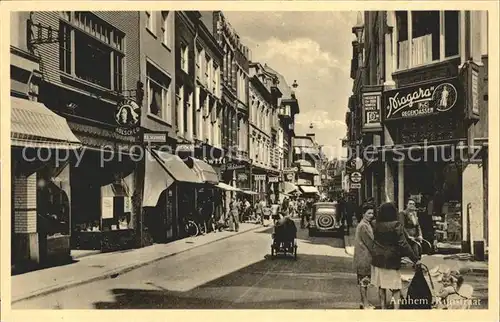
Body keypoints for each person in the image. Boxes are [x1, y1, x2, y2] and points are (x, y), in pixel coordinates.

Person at [371, 202, 420, 309]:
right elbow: (403, 244)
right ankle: (395, 312)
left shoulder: (375, 223)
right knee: (396, 288)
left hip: (377, 258)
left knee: (381, 285)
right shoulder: (396, 225)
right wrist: (414, 258)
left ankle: (383, 308)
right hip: (391, 260)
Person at [353, 203, 376, 309]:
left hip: (362, 256)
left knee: (363, 280)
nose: (371, 215)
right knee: (364, 281)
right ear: (363, 214)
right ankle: (365, 304)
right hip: (365, 257)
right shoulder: (364, 226)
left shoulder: (364, 224)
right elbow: (370, 242)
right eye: (369, 213)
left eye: (372, 213)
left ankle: (364, 302)